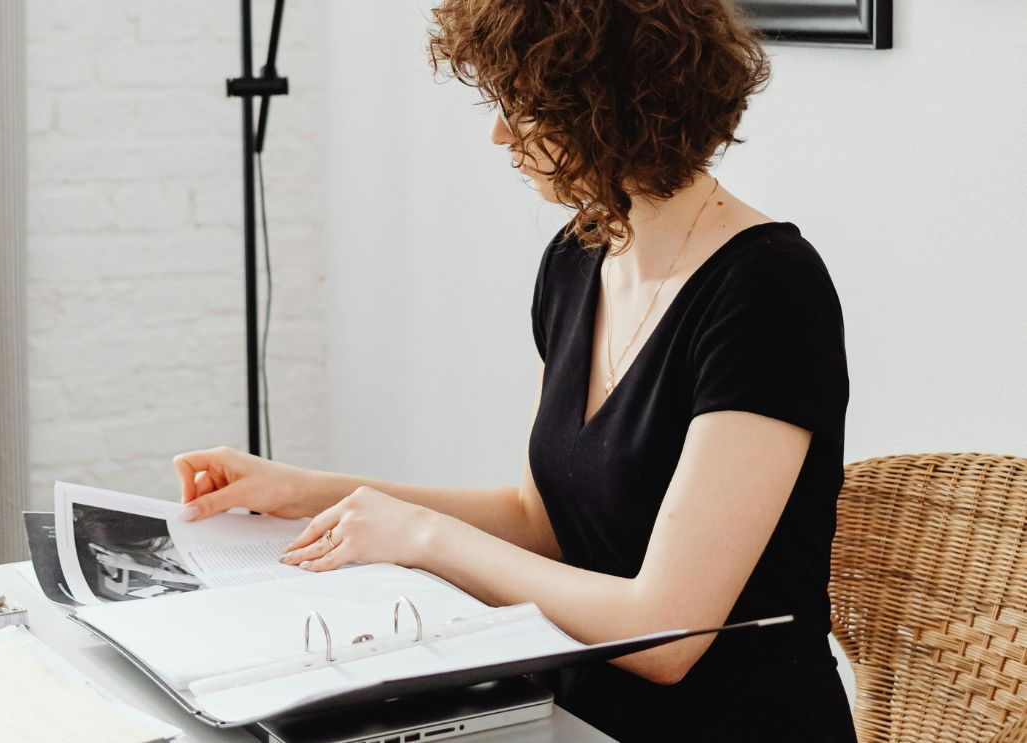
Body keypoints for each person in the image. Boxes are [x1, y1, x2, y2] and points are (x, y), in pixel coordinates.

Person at [173, 1, 855, 740]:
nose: (498, 132)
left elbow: (667, 631)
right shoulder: (578, 257)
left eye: (520, 106)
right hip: (567, 710)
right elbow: (544, 522)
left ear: (605, 107)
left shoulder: (767, 288)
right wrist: (305, 491)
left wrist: (424, 535)